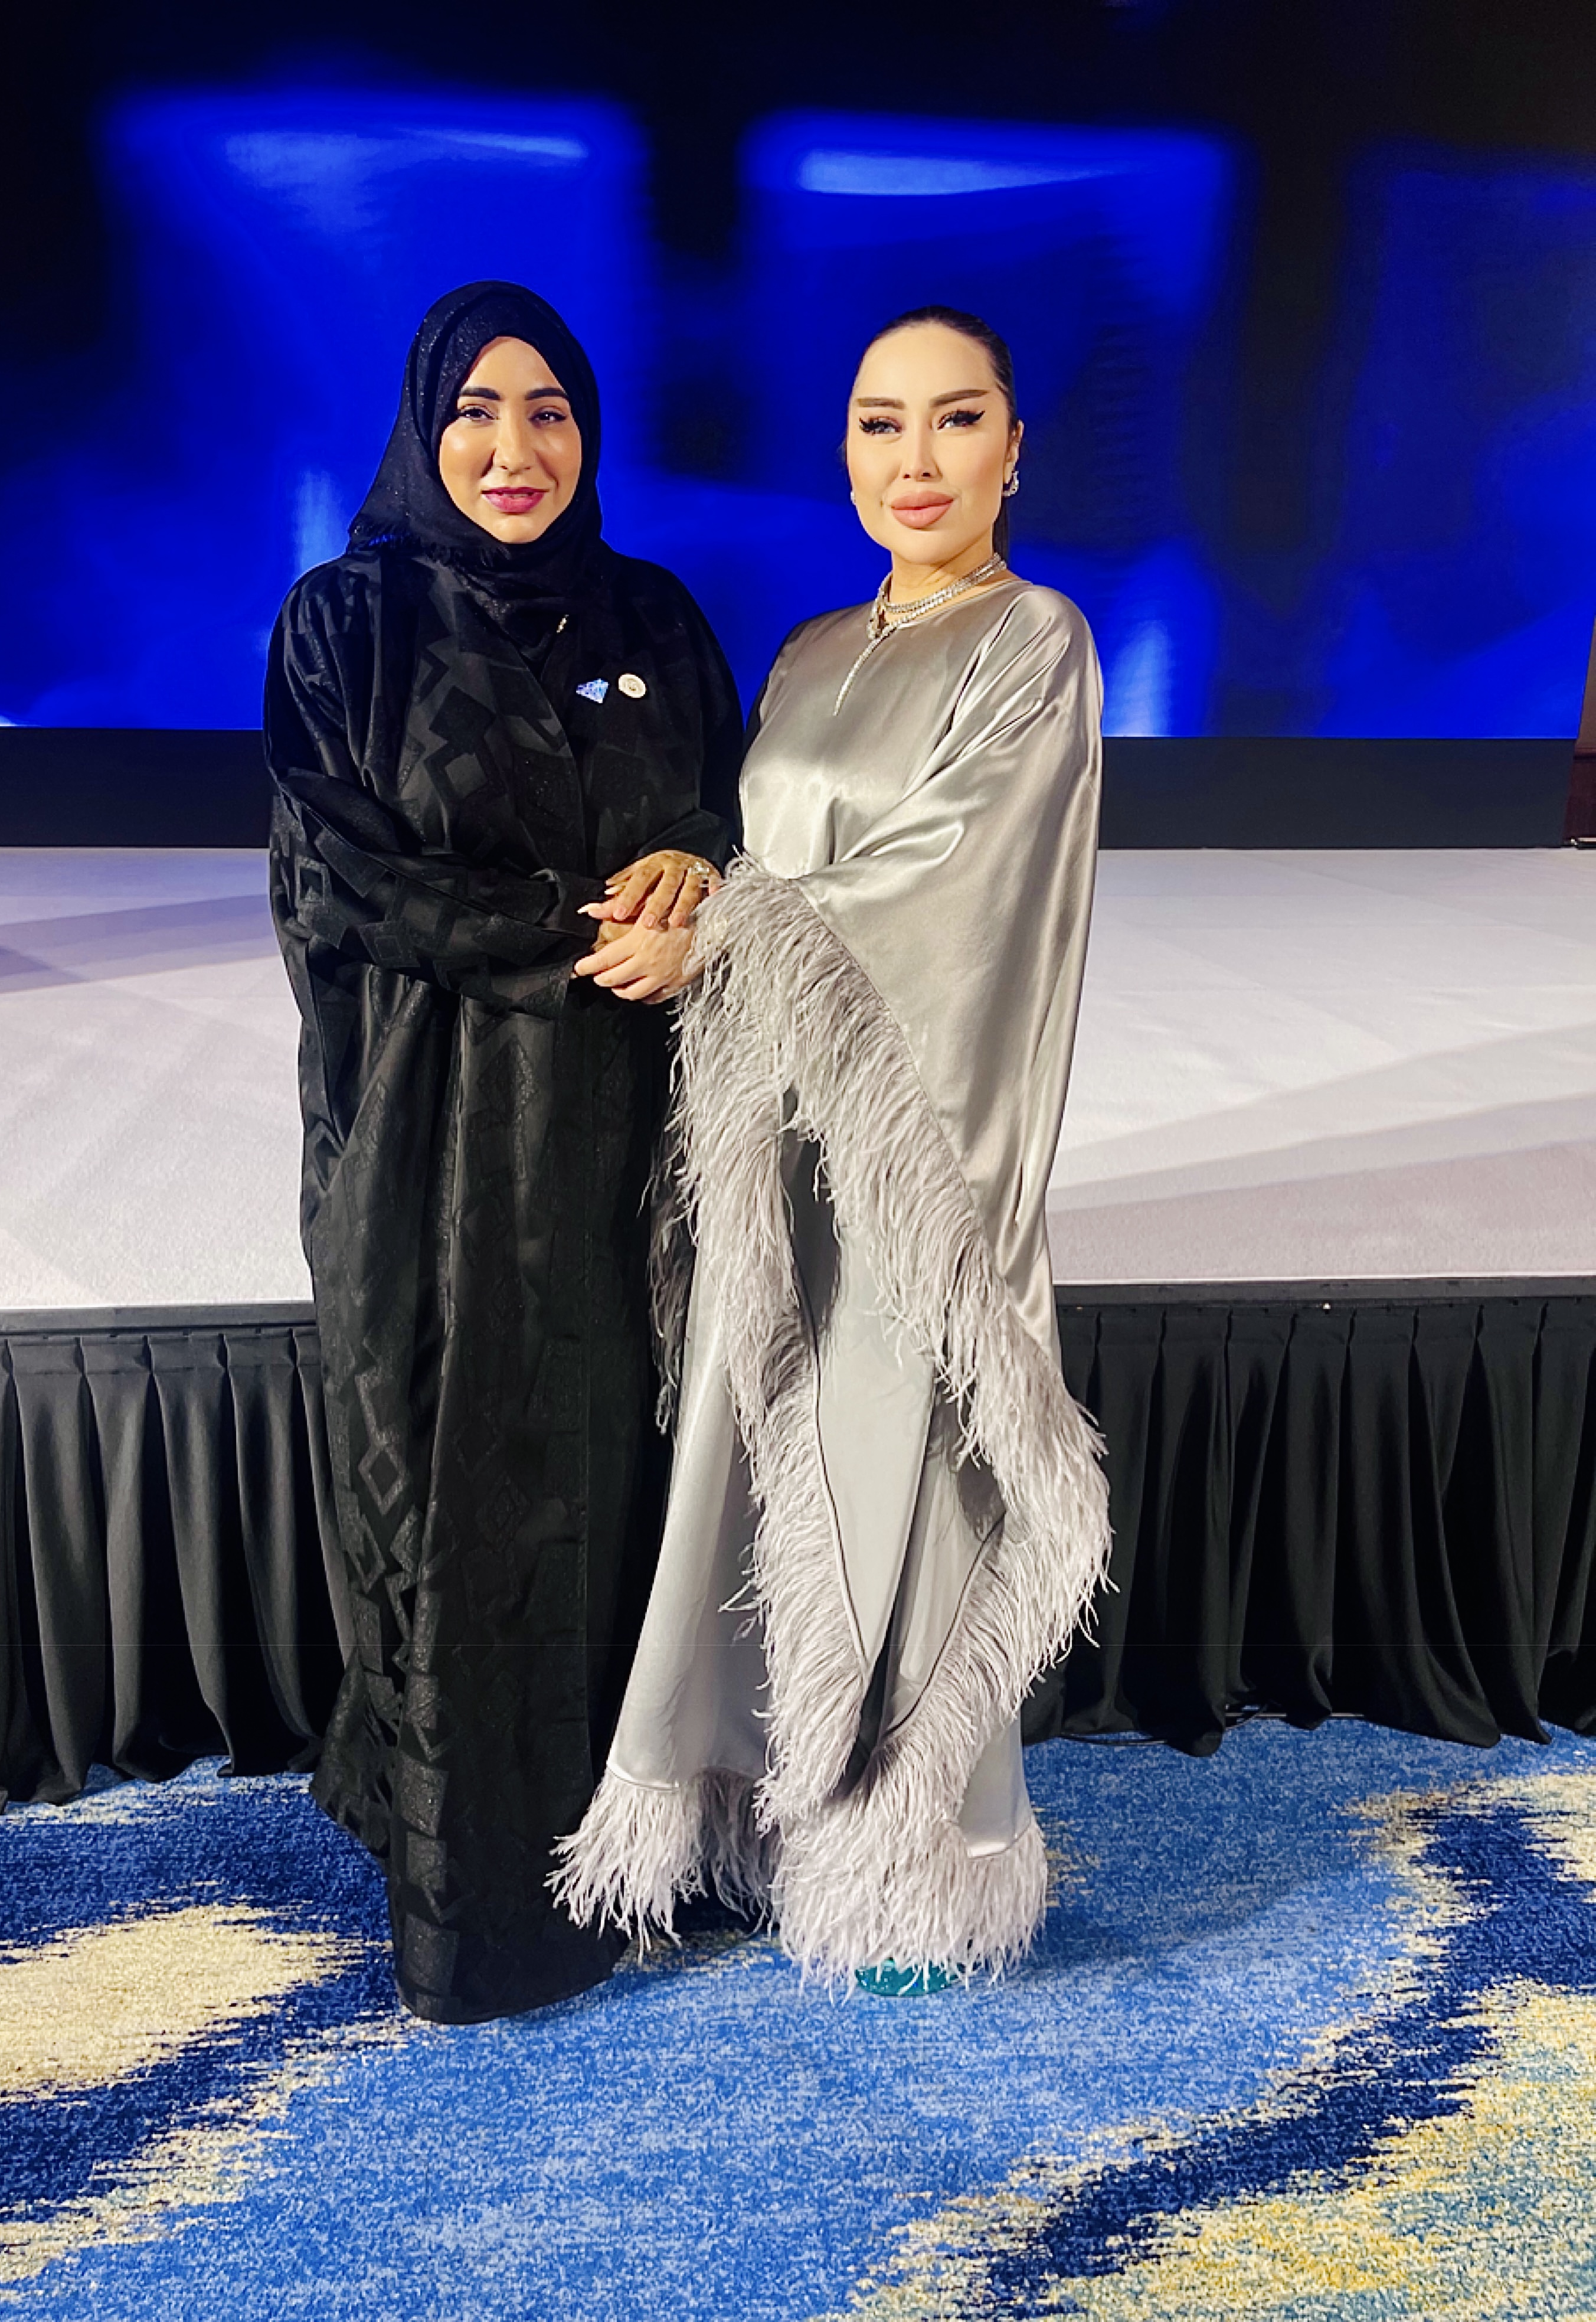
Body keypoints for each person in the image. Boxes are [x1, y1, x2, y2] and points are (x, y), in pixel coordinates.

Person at [555, 306, 1110, 1988]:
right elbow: (765, 853)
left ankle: (907, 1872)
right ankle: (758, 1815)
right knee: (766, 1447)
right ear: (847, 450)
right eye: (881, 423)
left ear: (1014, 447)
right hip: (770, 1131)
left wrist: (724, 936)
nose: (916, 460)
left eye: (956, 420)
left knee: (902, 1450)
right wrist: (692, 879)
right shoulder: (804, 652)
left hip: (915, 1149)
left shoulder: (1037, 641)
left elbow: (950, 886)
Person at [266, 282, 740, 2022]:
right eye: (475, 409)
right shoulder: (348, 623)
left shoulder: (653, 612)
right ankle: (483, 1904)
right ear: (422, 427)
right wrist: (580, 930)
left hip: (624, 1152)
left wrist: (701, 869)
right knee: (448, 1498)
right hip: (429, 1153)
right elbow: (342, 878)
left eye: (550, 411)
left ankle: (642, 1851)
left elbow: (726, 802)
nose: (515, 447)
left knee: (626, 1485)